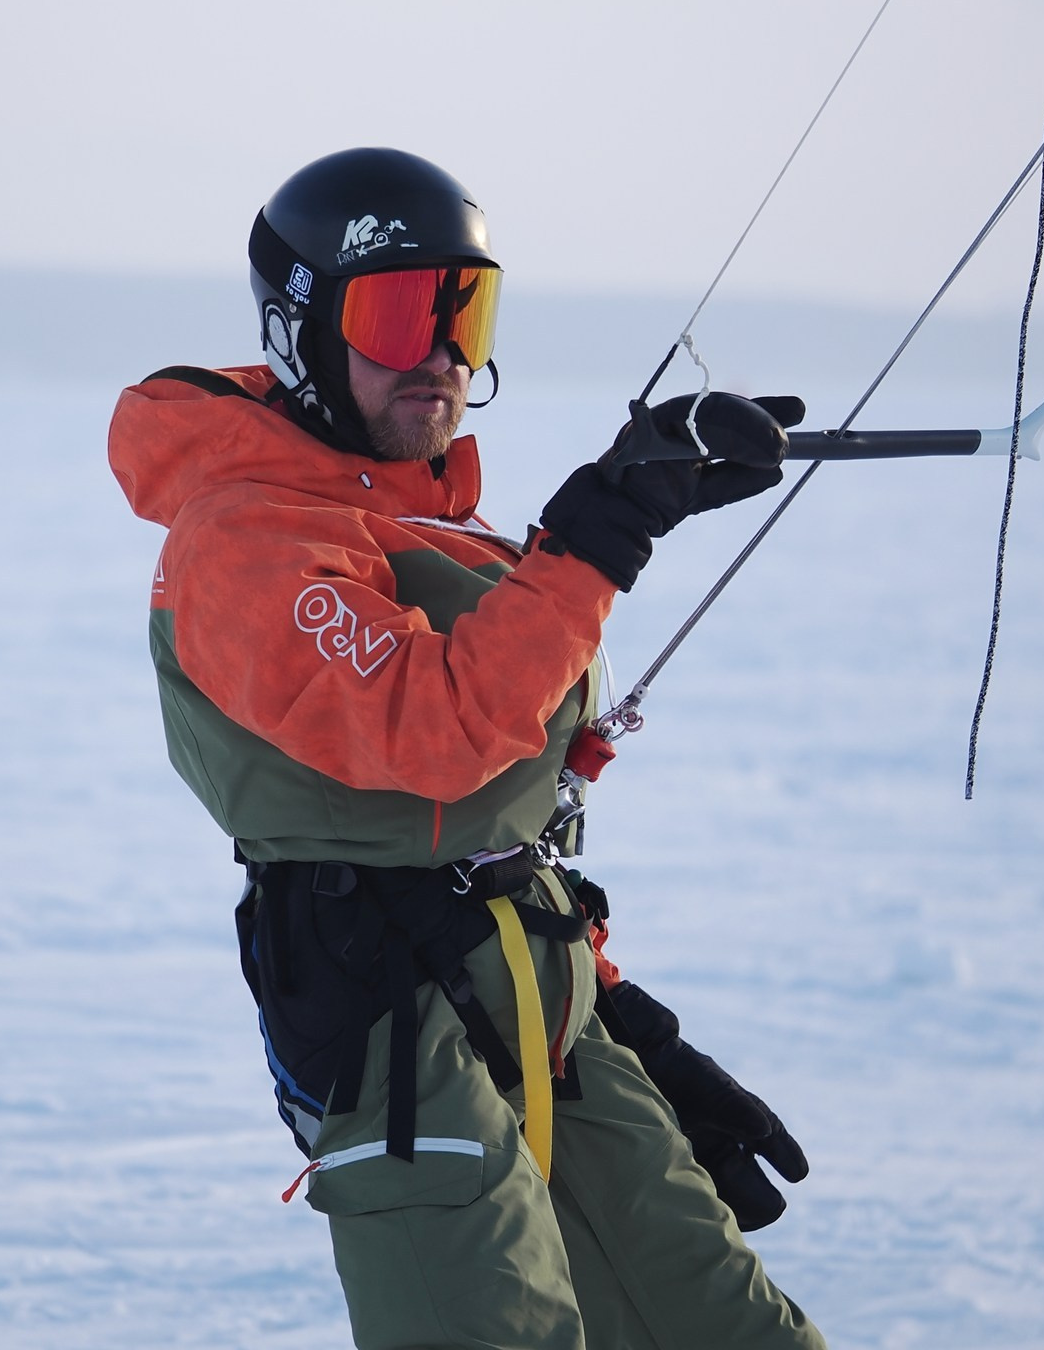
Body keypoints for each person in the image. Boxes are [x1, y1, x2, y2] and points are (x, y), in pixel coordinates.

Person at [108, 146, 825, 1350]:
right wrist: (601, 531)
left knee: (726, 1327)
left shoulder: (424, 517)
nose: (440, 351)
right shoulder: (246, 542)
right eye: (401, 312)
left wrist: (619, 1014)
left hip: (539, 989)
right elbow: (438, 734)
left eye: (465, 311)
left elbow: (506, 823)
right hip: (391, 1022)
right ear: (300, 333)